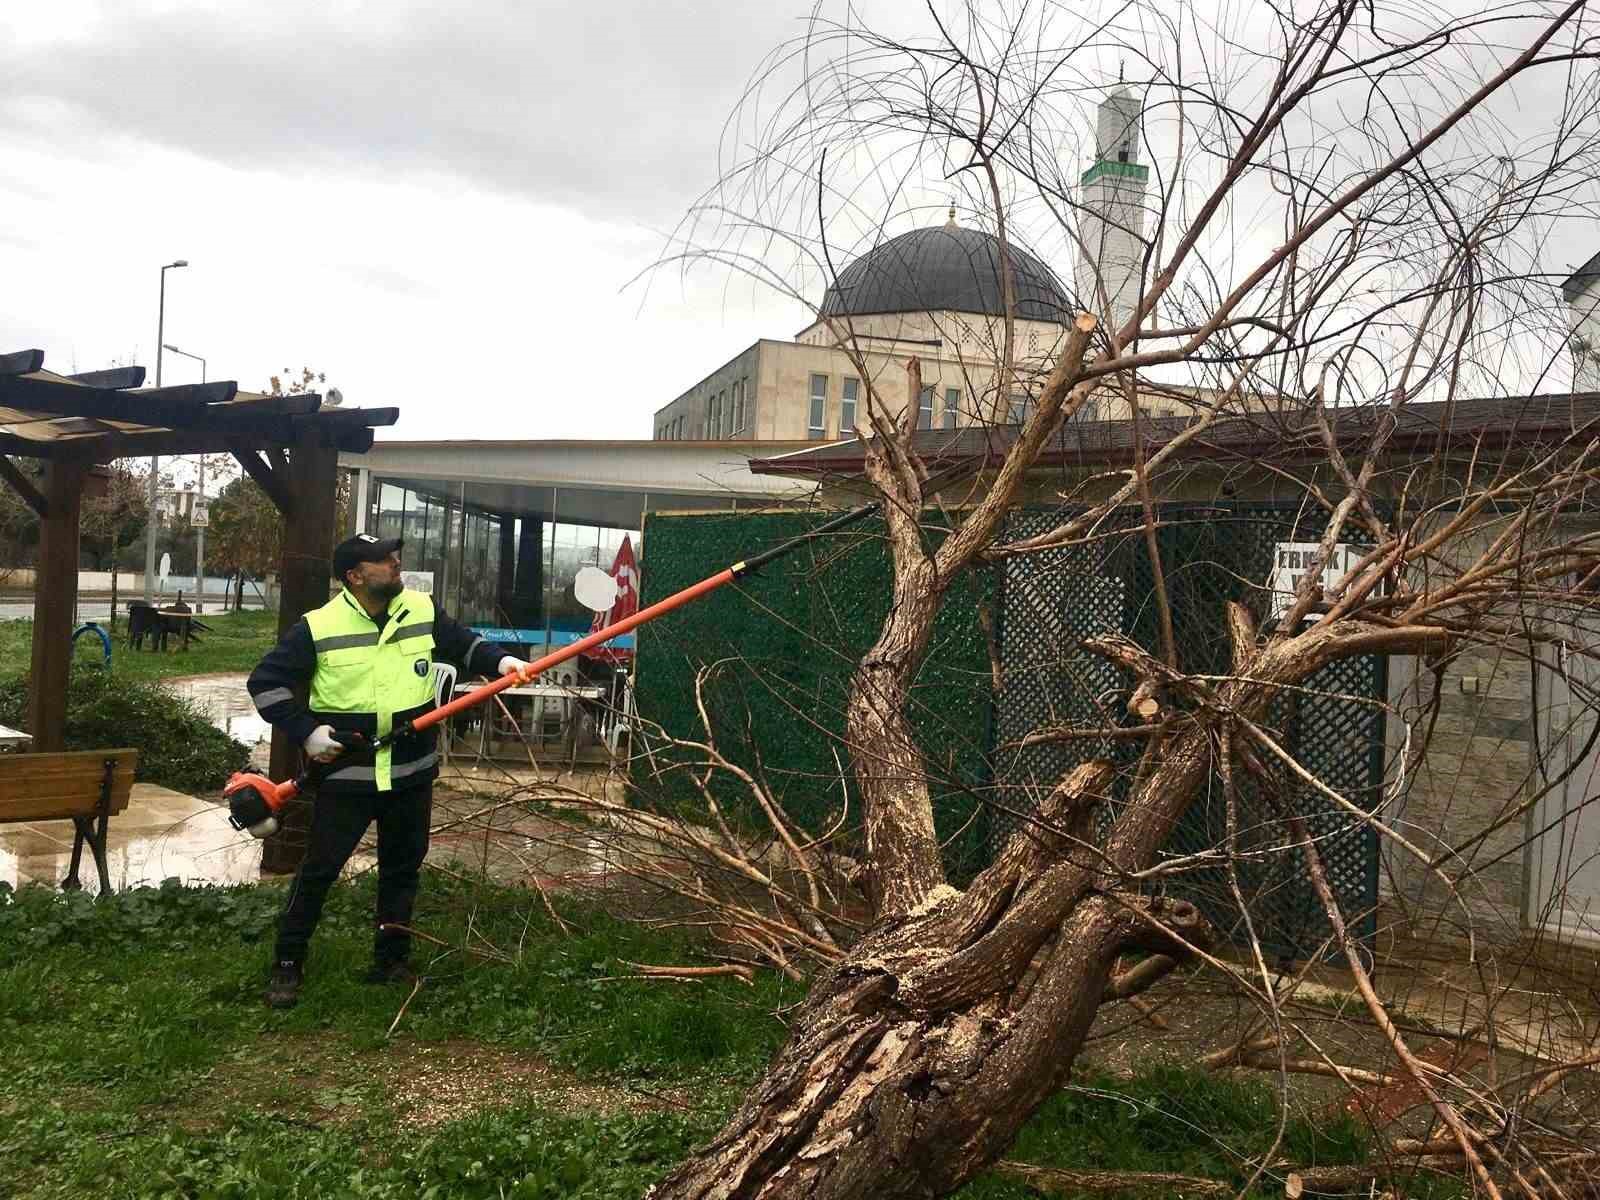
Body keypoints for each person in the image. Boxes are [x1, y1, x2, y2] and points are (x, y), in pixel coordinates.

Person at [247, 533, 530, 1008]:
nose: (395, 563)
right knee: (319, 871)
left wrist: (501, 661)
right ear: (355, 576)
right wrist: (308, 731)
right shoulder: (317, 626)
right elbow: (266, 684)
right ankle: (288, 963)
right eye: (382, 560)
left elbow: (463, 645)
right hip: (348, 776)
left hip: (411, 771)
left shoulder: (419, 609)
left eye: (393, 556)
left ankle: (391, 960)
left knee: (402, 870)